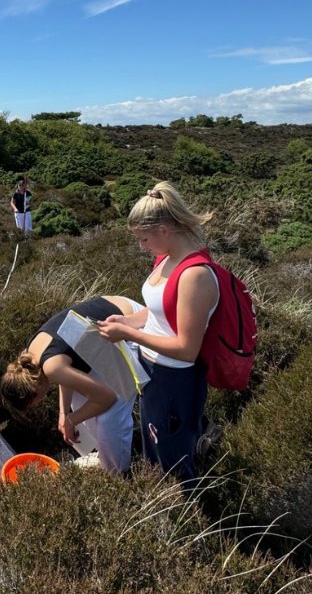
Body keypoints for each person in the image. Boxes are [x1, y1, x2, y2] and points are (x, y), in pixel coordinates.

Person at [97, 182, 219, 485]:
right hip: (152, 372)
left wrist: (128, 335)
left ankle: (183, 516)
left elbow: (186, 349)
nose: (142, 245)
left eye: (144, 238)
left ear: (164, 230)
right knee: (154, 445)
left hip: (175, 380)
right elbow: (157, 312)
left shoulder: (195, 275)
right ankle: (159, 506)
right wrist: (129, 322)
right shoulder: (166, 258)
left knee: (174, 459)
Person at [0, 295, 143, 474]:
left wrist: (71, 420)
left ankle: (118, 472)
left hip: (133, 327)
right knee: (78, 402)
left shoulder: (51, 368)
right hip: (111, 328)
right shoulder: (31, 356)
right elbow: (65, 370)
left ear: (33, 395)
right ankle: (107, 453)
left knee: (110, 417)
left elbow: (107, 398)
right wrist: (64, 413)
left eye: (34, 404)